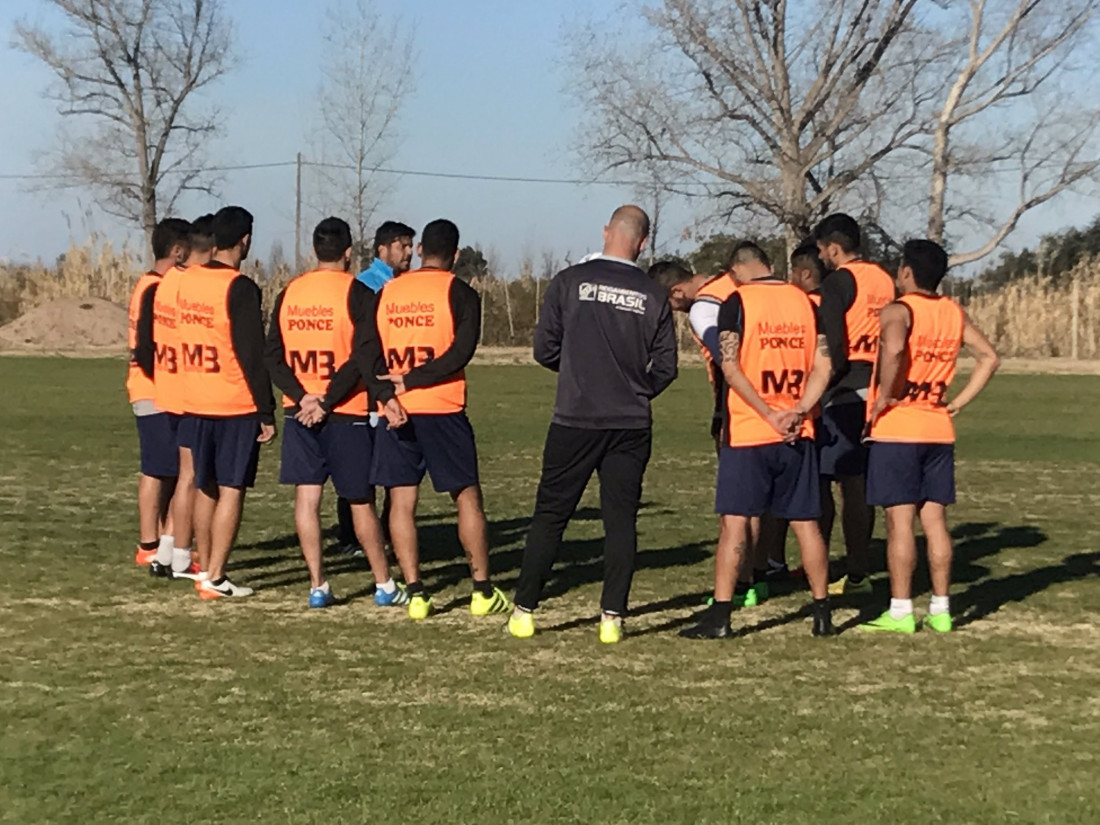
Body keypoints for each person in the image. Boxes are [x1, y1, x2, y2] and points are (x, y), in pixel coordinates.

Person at [509, 205, 678, 644]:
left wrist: (575, 374)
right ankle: (611, 618)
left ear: (606, 232)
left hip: (575, 418)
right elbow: (667, 367)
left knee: (550, 516)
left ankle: (524, 610)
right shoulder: (654, 295)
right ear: (642, 243)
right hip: (630, 423)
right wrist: (637, 390)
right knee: (620, 520)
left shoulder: (568, 282)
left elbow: (544, 348)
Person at [680, 242, 834, 639]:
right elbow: (824, 365)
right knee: (806, 524)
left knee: (734, 524)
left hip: (750, 430)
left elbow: (729, 368)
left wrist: (767, 413)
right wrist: (799, 409)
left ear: (736, 270)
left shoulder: (736, 302)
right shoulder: (804, 302)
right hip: (798, 431)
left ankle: (722, 614)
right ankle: (822, 612)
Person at [265, 217, 410, 609]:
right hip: (344, 411)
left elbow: (273, 356)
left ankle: (317, 584)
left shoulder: (289, 292)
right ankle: (384, 584)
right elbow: (361, 357)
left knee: (306, 500)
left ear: (315, 251)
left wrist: (302, 397)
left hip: (300, 413)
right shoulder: (358, 291)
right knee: (360, 500)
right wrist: (327, 401)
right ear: (349, 252)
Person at [370, 218, 510, 621]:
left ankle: (415, 592)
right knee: (466, 497)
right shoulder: (460, 293)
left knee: (401, 500)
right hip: (443, 407)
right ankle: (481, 590)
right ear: (457, 254)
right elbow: (459, 354)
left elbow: (369, 352)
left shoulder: (387, 293)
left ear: (418, 251)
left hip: (397, 409)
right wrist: (416, 378)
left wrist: (389, 392)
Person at [861, 240, 1000, 633]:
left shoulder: (898, 310)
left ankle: (901, 610)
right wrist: (959, 402)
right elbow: (990, 357)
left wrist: (886, 395)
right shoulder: (952, 311)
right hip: (938, 426)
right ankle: (941, 608)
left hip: (898, 427)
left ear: (906, 272)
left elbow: (893, 347)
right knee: (935, 520)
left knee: (900, 524)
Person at [650, 258, 763, 606]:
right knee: (763, 498)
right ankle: (762, 571)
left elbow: (728, 358)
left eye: (667, 305)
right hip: (778, 394)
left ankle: (742, 581)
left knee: (737, 502)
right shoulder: (733, 283)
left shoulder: (704, 308)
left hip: (739, 406)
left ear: (677, 292)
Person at [176, 206, 276, 600]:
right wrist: (265, 410)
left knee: (206, 486)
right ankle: (216, 575)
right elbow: (252, 353)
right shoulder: (240, 287)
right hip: (233, 401)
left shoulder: (186, 281)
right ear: (245, 240)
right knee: (232, 487)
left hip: (194, 397)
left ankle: (205, 568)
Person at [814, 213, 896, 596]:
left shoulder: (837, 282)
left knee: (832, 484)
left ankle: (832, 567)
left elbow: (834, 346)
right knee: (861, 487)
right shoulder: (884, 278)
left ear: (833, 247)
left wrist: (816, 389)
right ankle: (860, 569)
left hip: (844, 391)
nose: (822, 258)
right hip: (878, 387)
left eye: (822, 251)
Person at [334, 221, 417, 555]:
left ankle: (382, 533)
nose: (409, 252)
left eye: (411, 245)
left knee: (389, 468)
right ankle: (352, 536)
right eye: (402, 245)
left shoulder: (400, 285)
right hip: (369, 392)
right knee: (361, 466)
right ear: (382, 248)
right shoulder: (368, 285)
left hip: (391, 388)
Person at [753, 242, 828, 586]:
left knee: (769, 503)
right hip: (808, 413)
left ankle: (766, 563)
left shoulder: (802, 306)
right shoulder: (821, 307)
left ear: (805, 273)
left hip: (777, 416)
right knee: (809, 507)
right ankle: (820, 600)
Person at [151, 216, 215, 584]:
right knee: (191, 477)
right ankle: (179, 555)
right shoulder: (188, 285)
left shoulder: (167, 283)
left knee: (182, 477)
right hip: (187, 389)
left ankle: (165, 550)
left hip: (168, 385)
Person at [128, 218, 190, 569]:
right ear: (177, 250)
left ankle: (159, 541)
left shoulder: (147, 283)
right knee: (159, 469)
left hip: (148, 386)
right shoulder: (155, 287)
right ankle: (151, 543)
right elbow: (148, 347)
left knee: (164, 469)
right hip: (153, 389)